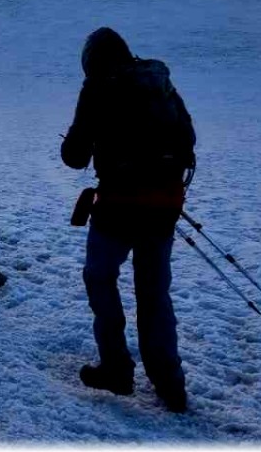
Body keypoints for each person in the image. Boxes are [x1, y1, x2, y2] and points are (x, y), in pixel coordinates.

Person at [60, 27, 195, 414]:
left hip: (117, 206)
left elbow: (74, 155)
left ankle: (117, 368)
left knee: (100, 277)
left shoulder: (98, 87)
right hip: (163, 205)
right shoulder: (159, 81)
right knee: (154, 293)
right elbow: (188, 138)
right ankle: (170, 384)